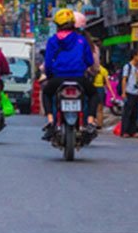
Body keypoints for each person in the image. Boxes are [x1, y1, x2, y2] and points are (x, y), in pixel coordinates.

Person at [41, 9, 97, 140]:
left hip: (58, 78)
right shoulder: (81, 40)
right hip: (79, 78)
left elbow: (48, 64)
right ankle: (90, 122)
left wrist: (50, 77)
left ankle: (50, 121)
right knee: (93, 94)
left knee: (47, 93)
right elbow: (90, 61)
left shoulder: (52, 40)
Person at [120, 49, 138, 138]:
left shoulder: (136, 67)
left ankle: (132, 131)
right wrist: (123, 92)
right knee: (127, 113)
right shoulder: (127, 66)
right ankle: (124, 131)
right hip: (129, 92)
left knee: (134, 113)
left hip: (136, 93)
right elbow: (124, 79)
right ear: (134, 56)